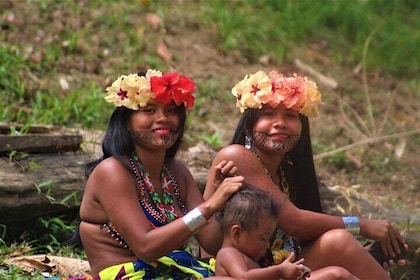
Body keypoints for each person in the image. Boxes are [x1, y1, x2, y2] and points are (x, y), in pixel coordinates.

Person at [203, 70, 407, 279]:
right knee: (338, 249)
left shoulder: (286, 171)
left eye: (290, 115)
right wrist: (362, 225)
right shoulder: (237, 156)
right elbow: (294, 222)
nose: (280, 122)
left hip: (276, 265)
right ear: (249, 125)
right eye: (268, 114)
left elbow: (293, 241)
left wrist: (359, 257)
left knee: (339, 245)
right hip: (234, 272)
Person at [78, 69, 244, 279]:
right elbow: (146, 248)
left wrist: (220, 198)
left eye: (172, 111)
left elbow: (210, 241)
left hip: (177, 271)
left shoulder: (177, 172)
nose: (163, 118)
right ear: (126, 121)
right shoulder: (112, 172)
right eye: (149, 110)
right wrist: (209, 206)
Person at [215, 183, 311, 280]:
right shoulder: (228, 253)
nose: (267, 245)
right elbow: (244, 277)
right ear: (237, 233)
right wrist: (279, 271)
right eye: (263, 238)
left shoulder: (249, 259)